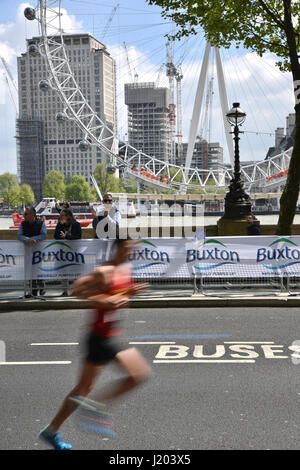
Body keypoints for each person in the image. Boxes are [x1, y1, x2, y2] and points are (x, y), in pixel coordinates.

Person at [39, 238, 151, 450]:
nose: (131, 253)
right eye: (128, 249)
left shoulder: (123, 270)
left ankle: (51, 431)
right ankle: (97, 408)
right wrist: (103, 300)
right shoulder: (104, 271)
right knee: (139, 374)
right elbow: (76, 289)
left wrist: (129, 292)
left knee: (83, 388)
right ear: (118, 249)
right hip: (100, 338)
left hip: (104, 335)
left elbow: (116, 295)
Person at [18, 206, 47, 297]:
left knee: (38, 268)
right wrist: (27, 240)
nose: (24, 215)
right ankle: (32, 290)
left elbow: (43, 235)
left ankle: (41, 287)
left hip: (38, 251)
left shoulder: (41, 223)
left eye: (26, 214)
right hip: (28, 251)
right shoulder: (23, 224)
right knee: (29, 269)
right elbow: (19, 235)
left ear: (32, 215)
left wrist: (33, 239)